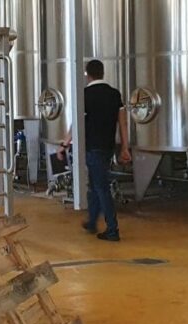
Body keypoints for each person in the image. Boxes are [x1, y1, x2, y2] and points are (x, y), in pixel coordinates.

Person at [57, 59, 131, 241]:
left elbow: (77, 124)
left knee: (101, 187)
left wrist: (65, 144)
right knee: (95, 185)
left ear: (87, 74)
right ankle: (91, 222)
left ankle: (112, 229)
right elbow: (123, 123)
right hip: (108, 147)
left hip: (92, 147)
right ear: (102, 73)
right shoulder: (114, 94)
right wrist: (124, 147)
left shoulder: (85, 95)